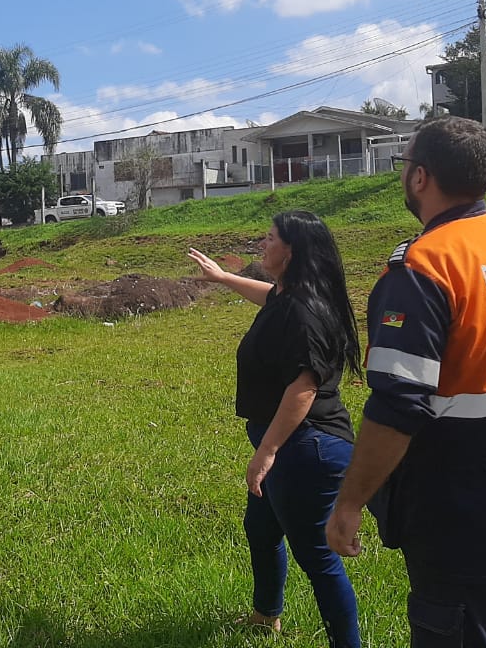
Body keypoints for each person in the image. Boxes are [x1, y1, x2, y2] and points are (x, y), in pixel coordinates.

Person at [326, 116, 486, 648]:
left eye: (404, 165)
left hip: (467, 527)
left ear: (420, 177)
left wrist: (348, 504)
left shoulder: (423, 270)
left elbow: (398, 406)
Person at [189, 210, 362, 648]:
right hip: (293, 445)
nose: (261, 244)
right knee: (262, 530)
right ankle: (266, 616)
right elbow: (267, 295)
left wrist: (266, 452)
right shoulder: (290, 296)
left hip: (305, 448)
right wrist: (223, 277)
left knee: (317, 557)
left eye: (270, 238)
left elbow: (303, 388)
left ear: (293, 251)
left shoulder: (304, 312)